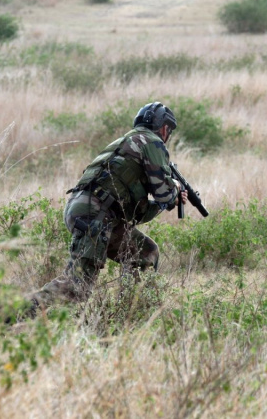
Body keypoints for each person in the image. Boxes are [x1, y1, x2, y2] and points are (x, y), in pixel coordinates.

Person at [29, 101, 188, 312]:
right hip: (95, 215)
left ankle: (127, 315)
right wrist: (175, 191)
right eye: (169, 130)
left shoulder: (128, 142)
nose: (168, 135)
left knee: (144, 254)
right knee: (77, 286)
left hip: (94, 212)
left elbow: (136, 213)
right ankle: (10, 315)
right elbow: (164, 192)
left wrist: (164, 201)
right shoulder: (152, 142)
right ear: (164, 127)